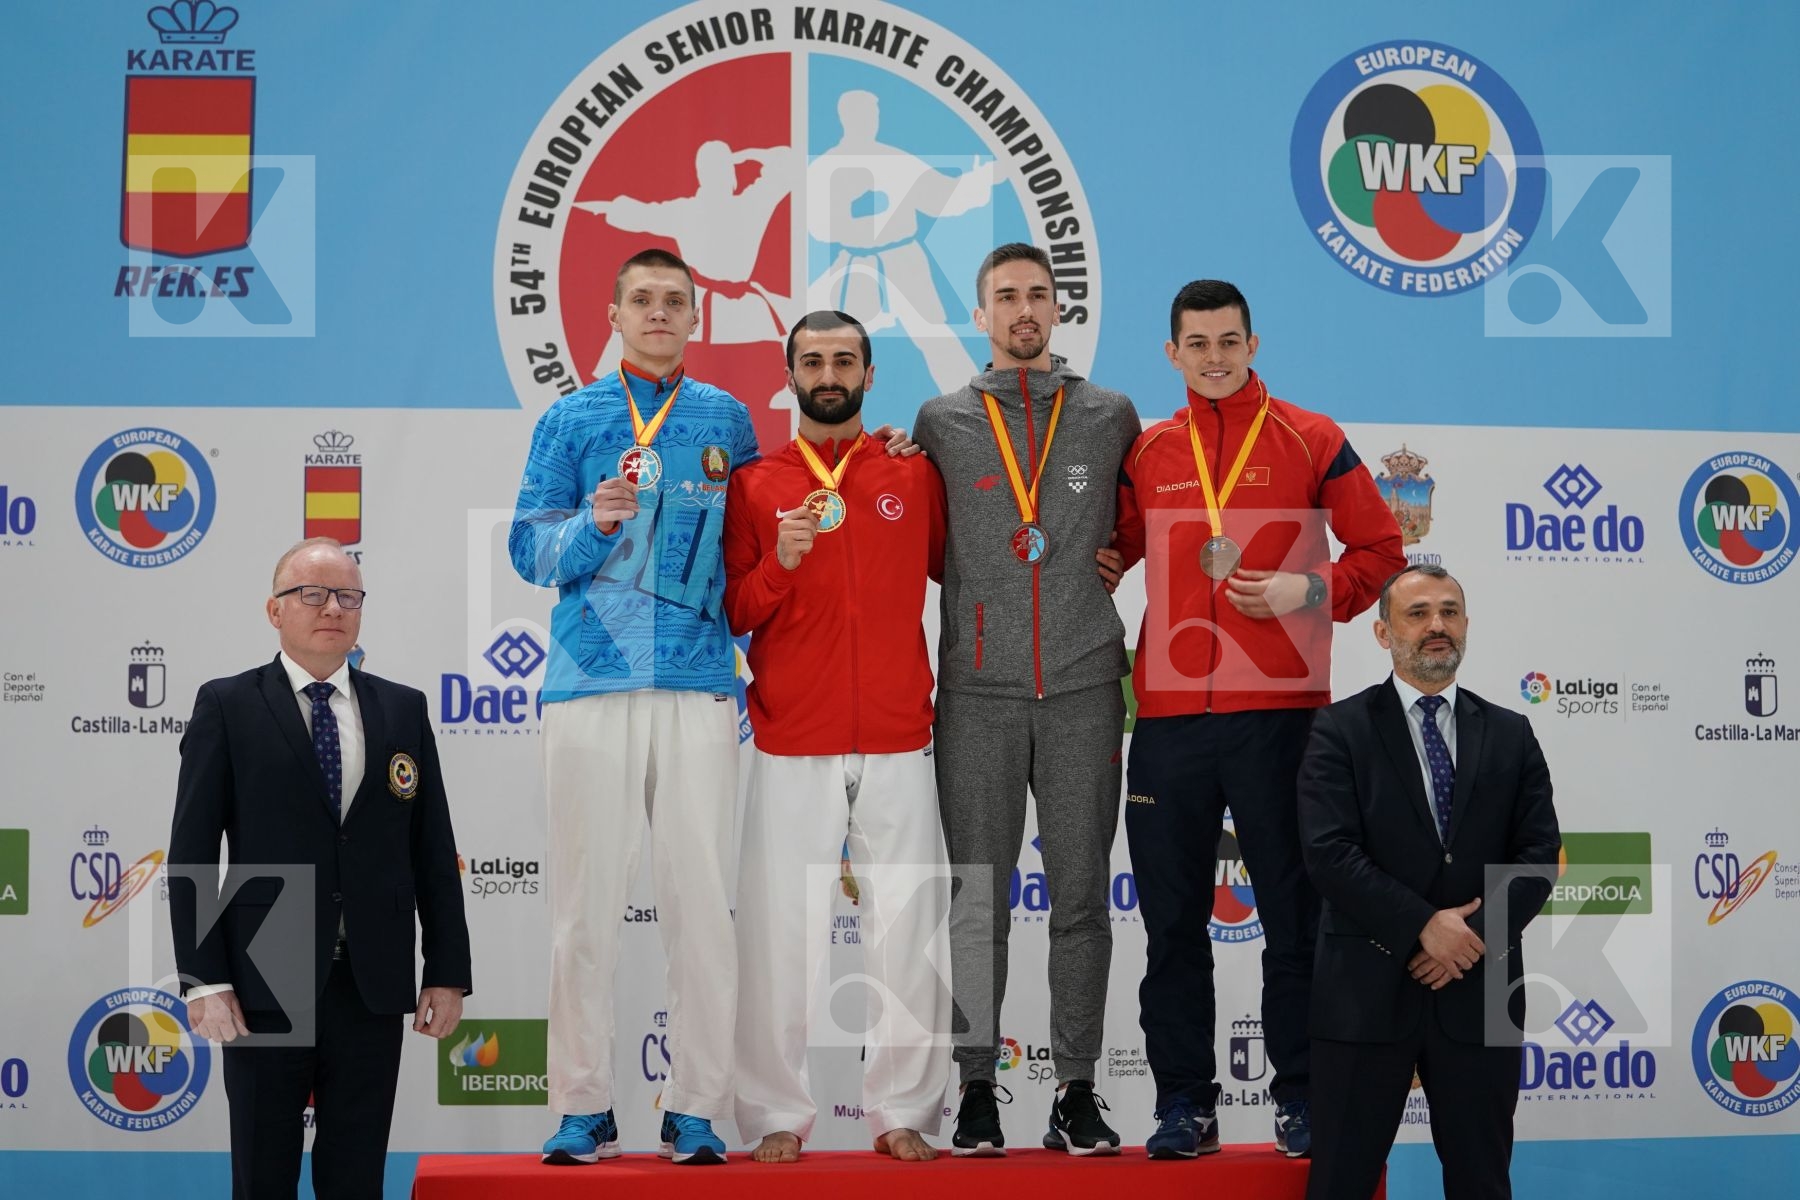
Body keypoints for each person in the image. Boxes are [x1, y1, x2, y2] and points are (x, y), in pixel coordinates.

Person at [510, 250, 914, 1167]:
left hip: (698, 683)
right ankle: (581, 1105)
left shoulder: (723, 419)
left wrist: (892, 446)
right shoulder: (569, 420)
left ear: (697, 318)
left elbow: (778, 517)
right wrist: (591, 526)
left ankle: (694, 1107)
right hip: (591, 683)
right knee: (584, 910)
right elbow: (528, 551)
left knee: (702, 905)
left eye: (675, 303)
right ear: (612, 312)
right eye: (643, 300)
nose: (659, 314)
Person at [1109, 280, 1405, 1159]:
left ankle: (1304, 1098)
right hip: (1166, 719)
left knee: (1296, 918)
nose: (1214, 357)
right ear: (1171, 353)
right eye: (1196, 344)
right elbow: (1107, 546)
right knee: (1170, 926)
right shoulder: (1149, 448)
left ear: (1254, 342)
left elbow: (1384, 553)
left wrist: (1307, 589)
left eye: (1228, 341)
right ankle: (1182, 1104)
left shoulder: (1312, 437)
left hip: (1284, 718)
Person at [912, 242, 1141, 1157]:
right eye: (1006, 297)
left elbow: (1146, 513)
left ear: (1058, 309)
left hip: (1086, 683)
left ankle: (1076, 1089)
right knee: (978, 898)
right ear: (983, 313)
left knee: (1083, 895)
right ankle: (976, 1088)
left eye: (1038, 296)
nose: (1023, 311)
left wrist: (1119, 558)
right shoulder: (940, 421)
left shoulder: (1109, 415)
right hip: (978, 693)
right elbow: (919, 538)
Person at [169, 537, 471, 1200]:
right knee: (262, 1171)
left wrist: (446, 973)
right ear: (275, 611)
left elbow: (431, 848)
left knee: (356, 1174)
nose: (331, 607)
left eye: (348, 596)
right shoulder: (229, 704)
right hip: (262, 973)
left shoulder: (402, 707)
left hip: (373, 976)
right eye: (311, 593)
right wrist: (202, 979)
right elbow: (191, 851)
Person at [725, 310, 950, 1164]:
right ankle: (775, 1113)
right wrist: (781, 561)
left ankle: (902, 1113)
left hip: (899, 732)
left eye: (844, 359)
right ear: (788, 377)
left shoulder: (911, 472)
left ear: (869, 372)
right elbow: (735, 609)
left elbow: (951, 566)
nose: (829, 372)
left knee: (911, 932)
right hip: (792, 737)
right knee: (781, 936)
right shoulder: (755, 483)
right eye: (812, 359)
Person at [1297, 565, 1561, 1199]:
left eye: (1449, 611)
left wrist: (1466, 938)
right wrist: (1422, 927)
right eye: (1418, 614)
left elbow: (1539, 854)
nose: (1436, 625)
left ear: (1466, 626)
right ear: (1384, 632)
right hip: (1363, 993)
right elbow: (1329, 853)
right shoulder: (1340, 729)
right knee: (1341, 1181)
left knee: (1482, 1182)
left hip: (1481, 991)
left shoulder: (1510, 732)